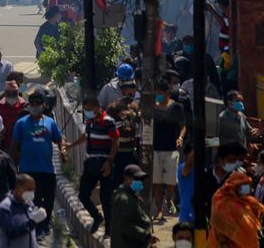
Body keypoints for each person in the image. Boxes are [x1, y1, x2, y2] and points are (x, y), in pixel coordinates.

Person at [11, 91, 64, 235]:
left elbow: (59, 139)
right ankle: (36, 226)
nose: (34, 107)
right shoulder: (21, 124)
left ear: (43, 105)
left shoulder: (50, 122)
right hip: (28, 169)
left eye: (37, 104)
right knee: (34, 199)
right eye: (32, 104)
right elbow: (14, 145)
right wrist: (14, 166)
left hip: (46, 168)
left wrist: (62, 149)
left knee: (49, 199)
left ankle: (45, 225)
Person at [64, 94, 118, 234]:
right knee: (83, 195)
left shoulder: (108, 121)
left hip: (104, 162)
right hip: (91, 162)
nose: (86, 112)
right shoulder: (90, 122)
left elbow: (115, 142)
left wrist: (109, 162)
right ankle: (97, 217)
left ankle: (109, 228)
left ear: (97, 108)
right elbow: (85, 136)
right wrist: (71, 145)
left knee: (105, 197)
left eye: (88, 109)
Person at [152, 78, 185, 222]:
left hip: (172, 148)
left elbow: (183, 125)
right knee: (157, 181)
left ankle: (168, 198)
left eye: (161, 92)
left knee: (172, 180)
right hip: (156, 148)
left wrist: (180, 138)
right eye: (156, 92)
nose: (158, 95)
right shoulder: (152, 108)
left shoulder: (176, 107)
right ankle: (159, 210)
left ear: (167, 93)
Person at [109, 164, 157, 248]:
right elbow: (125, 225)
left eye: (141, 179)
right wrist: (146, 236)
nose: (140, 182)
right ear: (127, 179)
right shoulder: (123, 199)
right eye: (137, 179)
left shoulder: (132, 196)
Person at [0, 173, 46, 248]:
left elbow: (31, 233)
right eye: (29, 189)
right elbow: (11, 233)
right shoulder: (5, 208)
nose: (31, 192)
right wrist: (33, 221)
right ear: (18, 188)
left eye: (33, 189)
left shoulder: (29, 204)